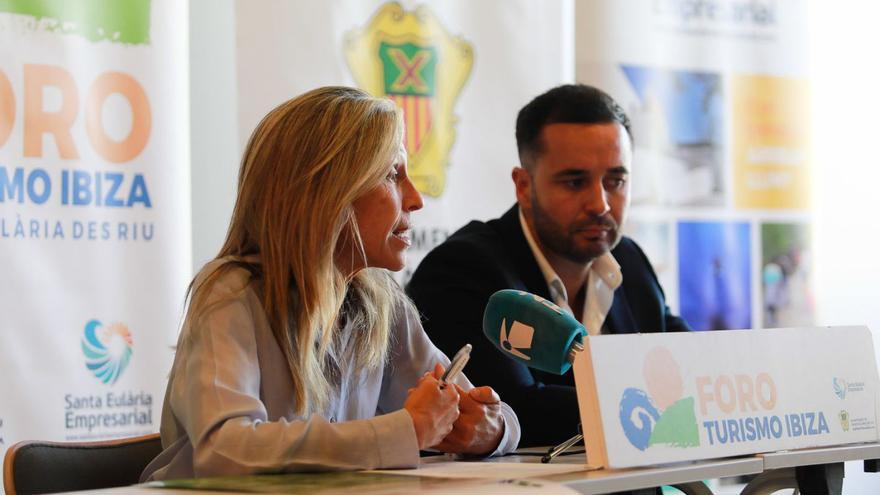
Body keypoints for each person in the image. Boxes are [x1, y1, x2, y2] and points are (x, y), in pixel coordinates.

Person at [141, 87, 520, 481]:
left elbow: (493, 414)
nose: (416, 199)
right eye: (393, 174)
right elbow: (224, 451)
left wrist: (488, 430)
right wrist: (404, 430)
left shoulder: (382, 302)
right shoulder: (231, 293)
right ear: (327, 192)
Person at [406, 84, 691, 448]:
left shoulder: (630, 262)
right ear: (523, 186)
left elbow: (690, 370)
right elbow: (514, 408)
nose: (600, 204)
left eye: (615, 181)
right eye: (575, 182)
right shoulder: (462, 270)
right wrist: (662, 403)